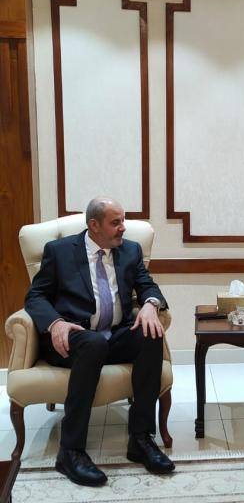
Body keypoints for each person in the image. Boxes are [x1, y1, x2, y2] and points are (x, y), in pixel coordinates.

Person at [25, 197, 175, 486]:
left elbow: (147, 285)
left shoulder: (130, 250)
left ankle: (140, 439)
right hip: (72, 339)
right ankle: (70, 452)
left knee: (150, 334)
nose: (123, 228)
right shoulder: (59, 251)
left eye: (123, 221)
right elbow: (35, 296)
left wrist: (150, 304)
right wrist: (55, 323)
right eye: (115, 222)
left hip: (112, 336)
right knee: (93, 343)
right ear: (94, 225)